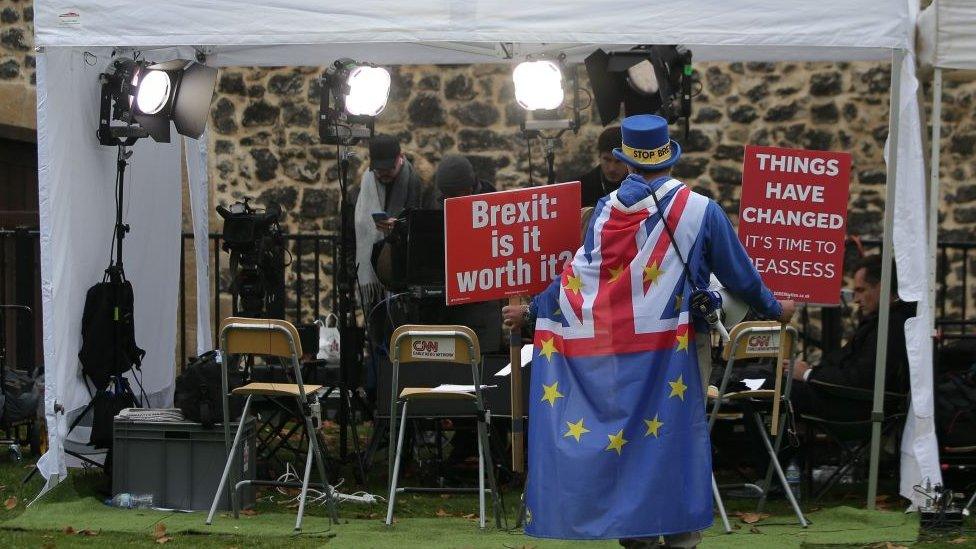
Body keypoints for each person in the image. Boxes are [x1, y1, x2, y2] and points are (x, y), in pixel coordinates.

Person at [505, 114, 794, 548]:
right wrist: (777, 308)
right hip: (674, 348)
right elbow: (741, 277)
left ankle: (636, 537)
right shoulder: (700, 211)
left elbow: (579, 279)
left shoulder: (604, 212)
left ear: (626, 160)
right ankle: (680, 539)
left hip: (609, 352)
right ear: (668, 158)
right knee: (674, 440)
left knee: (626, 442)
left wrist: (529, 312)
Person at [786, 254, 912, 421]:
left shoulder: (892, 324)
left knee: (777, 389)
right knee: (774, 382)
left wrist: (808, 374)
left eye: (861, 290)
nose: (856, 300)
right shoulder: (885, 320)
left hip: (857, 406)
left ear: (882, 287)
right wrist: (809, 371)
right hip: (851, 399)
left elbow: (860, 379)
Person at [354, 134, 433, 400]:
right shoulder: (364, 184)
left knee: (404, 339)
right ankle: (379, 399)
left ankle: (405, 398)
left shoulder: (417, 183)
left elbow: (426, 227)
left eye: (390, 168)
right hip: (376, 278)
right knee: (376, 338)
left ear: (401, 159)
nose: (385, 174)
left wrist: (399, 228)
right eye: (380, 170)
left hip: (405, 275)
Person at [575, 126, 629, 207]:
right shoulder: (581, 188)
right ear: (599, 156)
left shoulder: (641, 186)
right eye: (607, 160)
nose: (612, 168)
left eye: (619, 161)